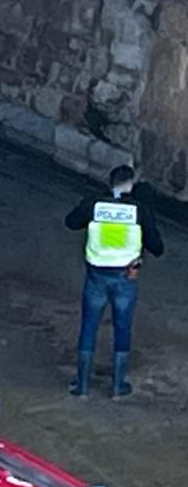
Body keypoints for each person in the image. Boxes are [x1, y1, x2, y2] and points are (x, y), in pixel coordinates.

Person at [64, 165, 165, 397]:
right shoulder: (139, 210)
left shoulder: (94, 204)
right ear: (131, 184)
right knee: (122, 328)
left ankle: (82, 387)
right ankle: (118, 386)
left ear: (110, 183)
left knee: (88, 327)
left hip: (96, 276)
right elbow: (157, 247)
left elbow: (71, 223)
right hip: (125, 277)